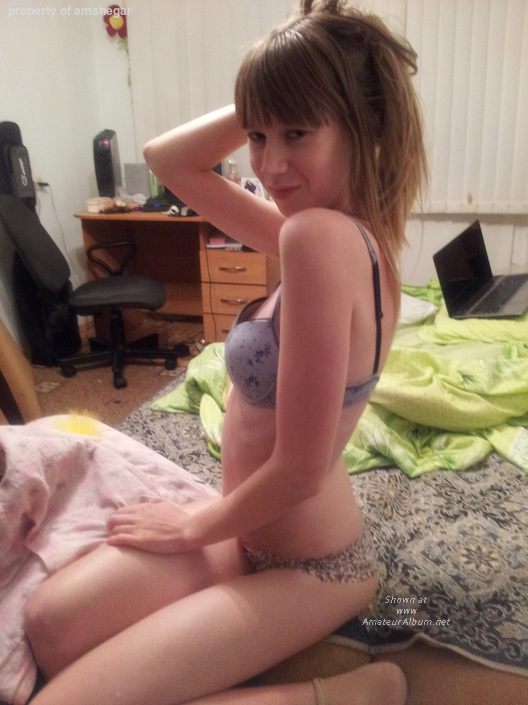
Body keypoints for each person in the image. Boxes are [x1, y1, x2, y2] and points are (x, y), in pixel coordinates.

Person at [25, 1, 427, 703]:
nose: (268, 163)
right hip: (244, 533)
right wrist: (275, 91)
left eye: (297, 132)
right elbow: (168, 161)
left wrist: (192, 526)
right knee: (49, 625)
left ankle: (360, 691)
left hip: (309, 565)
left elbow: (300, 470)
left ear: (360, 126)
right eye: (259, 134)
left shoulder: (317, 240)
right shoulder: (338, 231)